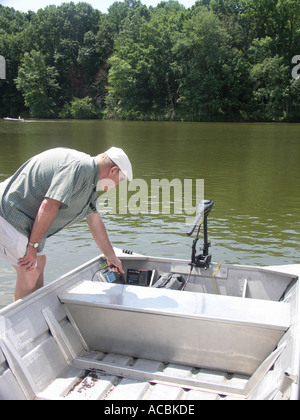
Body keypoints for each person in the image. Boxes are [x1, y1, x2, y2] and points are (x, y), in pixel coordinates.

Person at [0, 147, 133, 301]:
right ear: (113, 170)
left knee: (40, 262)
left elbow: (94, 221)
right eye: (120, 180)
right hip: (9, 215)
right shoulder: (79, 167)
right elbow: (48, 206)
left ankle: (35, 314)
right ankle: (20, 323)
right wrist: (32, 246)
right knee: (30, 270)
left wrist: (111, 257)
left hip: (20, 221)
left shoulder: (90, 181)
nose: (117, 185)